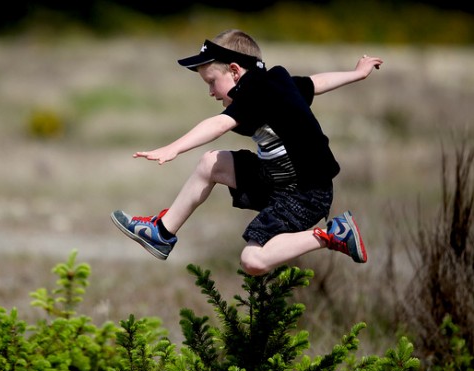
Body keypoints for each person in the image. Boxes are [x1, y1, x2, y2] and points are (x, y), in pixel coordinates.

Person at [111, 29, 383, 276]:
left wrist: (174, 148)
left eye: (212, 82)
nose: (210, 92)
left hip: (306, 194)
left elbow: (219, 124)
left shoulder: (257, 88)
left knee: (253, 261)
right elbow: (315, 83)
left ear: (234, 71)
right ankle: (161, 232)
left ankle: (333, 234)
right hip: (275, 180)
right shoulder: (274, 85)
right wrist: (356, 74)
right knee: (210, 164)